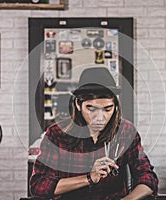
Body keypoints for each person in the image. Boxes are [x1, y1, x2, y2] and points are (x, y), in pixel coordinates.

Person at [30, 67, 158, 200]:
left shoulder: (126, 131)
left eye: (107, 109)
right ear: (78, 105)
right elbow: (39, 185)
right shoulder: (57, 134)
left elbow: (148, 178)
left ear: (115, 107)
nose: (100, 118)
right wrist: (89, 178)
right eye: (91, 109)